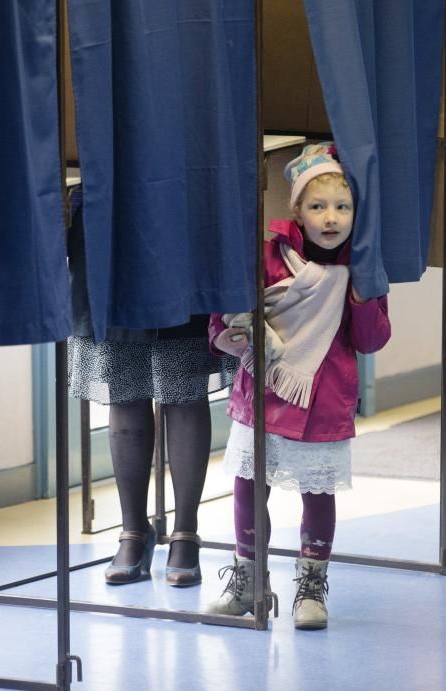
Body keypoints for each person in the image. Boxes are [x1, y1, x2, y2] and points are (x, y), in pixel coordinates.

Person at [203, 142, 391, 629]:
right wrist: (228, 333)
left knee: (317, 493)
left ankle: (311, 586)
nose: (331, 218)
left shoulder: (360, 267)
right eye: (318, 206)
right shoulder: (267, 258)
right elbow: (225, 315)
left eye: (342, 207)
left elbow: (371, 340)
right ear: (297, 211)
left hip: (324, 402)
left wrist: (364, 295)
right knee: (248, 486)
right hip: (262, 395)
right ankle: (249, 579)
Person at [67, 193, 237, 587]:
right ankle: (133, 531)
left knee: (183, 389)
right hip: (110, 225)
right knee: (125, 388)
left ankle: (186, 532)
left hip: (184, 223)